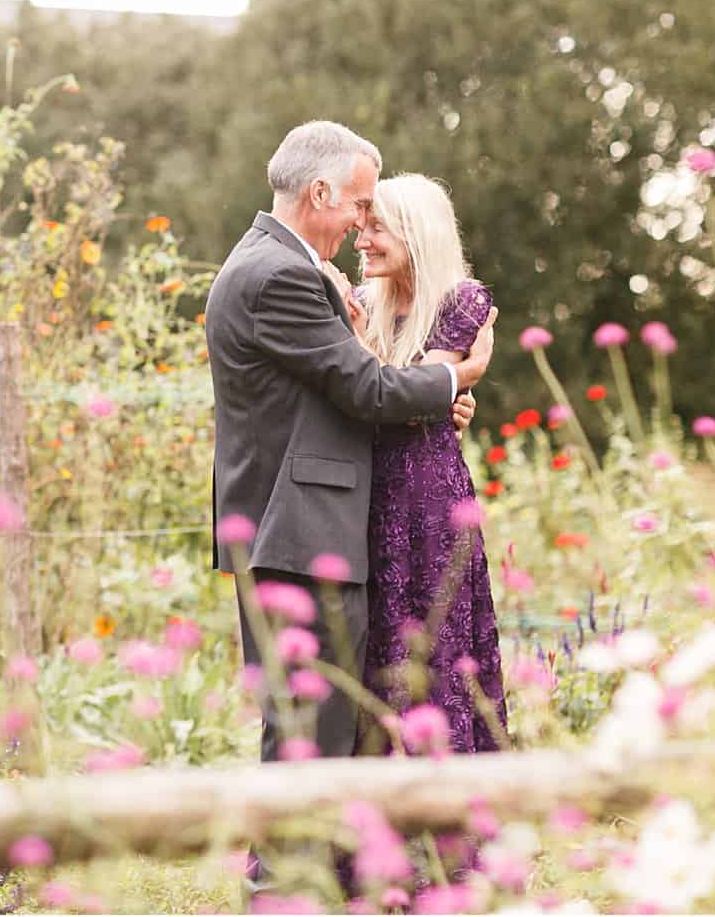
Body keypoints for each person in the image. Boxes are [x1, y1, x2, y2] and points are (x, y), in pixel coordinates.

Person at [202, 121, 495, 888]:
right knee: (308, 739)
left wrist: (433, 404)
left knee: (323, 731)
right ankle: (284, 893)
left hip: (298, 533)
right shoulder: (280, 275)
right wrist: (455, 380)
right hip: (300, 538)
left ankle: (318, 887)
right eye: (358, 205)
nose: (361, 224)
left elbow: (338, 394)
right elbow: (364, 390)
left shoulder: (279, 267)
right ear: (320, 192)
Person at [344, 173, 508, 756]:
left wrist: (438, 390)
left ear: (415, 234)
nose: (360, 240)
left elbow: (409, 393)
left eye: (376, 228)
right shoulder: (363, 302)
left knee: (435, 640)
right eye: (360, 227)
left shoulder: (461, 300)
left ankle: (446, 809)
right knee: (377, 646)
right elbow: (403, 392)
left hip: (428, 499)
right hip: (366, 495)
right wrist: (451, 387)